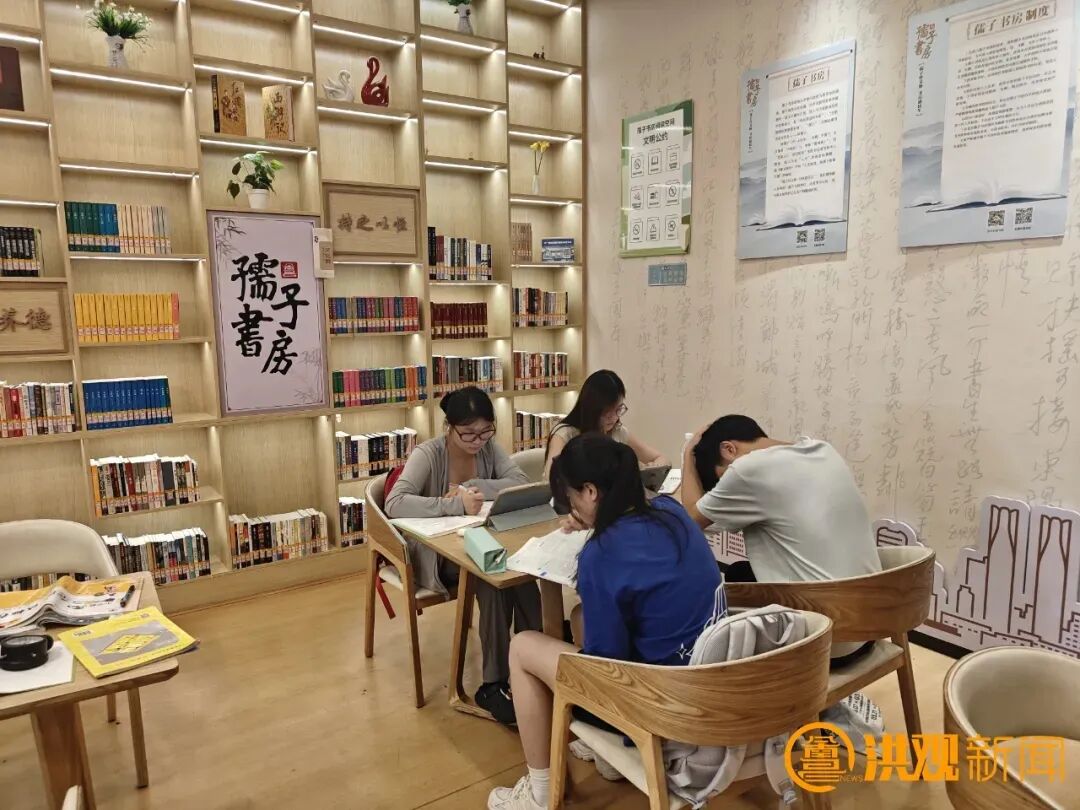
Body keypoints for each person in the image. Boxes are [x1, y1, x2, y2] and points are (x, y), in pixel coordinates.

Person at [487, 435, 722, 810]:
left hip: (660, 705)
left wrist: (595, 546)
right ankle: (609, 758)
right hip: (708, 681)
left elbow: (604, 660)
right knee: (581, 615)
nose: (571, 506)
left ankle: (540, 793)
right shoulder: (671, 511)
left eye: (572, 497)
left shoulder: (601, 554)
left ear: (591, 492)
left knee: (523, 647)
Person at [385, 386, 540, 723]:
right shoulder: (428, 454)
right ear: (448, 427)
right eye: (468, 433)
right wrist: (453, 504)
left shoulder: (488, 449)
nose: (477, 441)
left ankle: (535, 663)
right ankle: (494, 682)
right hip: (438, 554)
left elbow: (519, 480)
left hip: (478, 542)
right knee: (492, 578)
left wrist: (475, 487)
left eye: (486, 431)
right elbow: (395, 502)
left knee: (523, 574)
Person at [680, 414, 881, 659]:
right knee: (741, 571)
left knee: (728, 587)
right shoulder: (824, 451)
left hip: (826, 642)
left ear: (729, 449)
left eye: (722, 478)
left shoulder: (748, 470)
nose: (725, 486)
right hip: (873, 625)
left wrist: (688, 453)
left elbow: (690, 521)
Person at [543, 369, 666, 478]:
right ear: (591, 408)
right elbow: (552, 480)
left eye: (618, 409)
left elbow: (662, 459)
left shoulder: (617, 432)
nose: (614, 418)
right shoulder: (565, 435)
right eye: (607, 412)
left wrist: (649, 471)